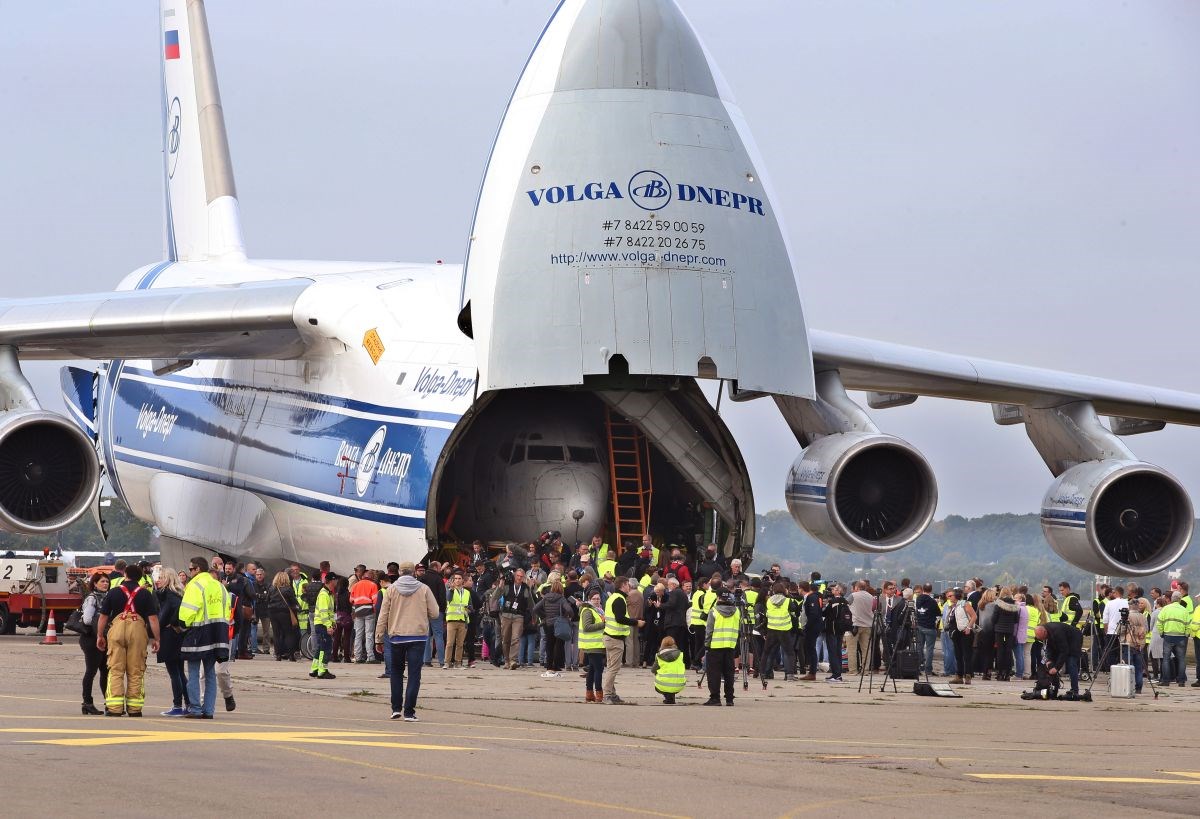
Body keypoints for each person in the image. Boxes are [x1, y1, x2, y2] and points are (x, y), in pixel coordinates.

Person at [375, 561, 439, 721]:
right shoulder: (424, 589)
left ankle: (396, 709)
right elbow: (435, 613)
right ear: (414, 572)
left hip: (396, 637)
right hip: (418, 636)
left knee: (396, 672)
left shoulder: (390, 590)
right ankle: (409, 712)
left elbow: (383, 615)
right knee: (414, 674)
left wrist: (378, 638)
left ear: (400, 573)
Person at [95, 564, 161, 717]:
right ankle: (134, 708)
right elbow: (152, 618)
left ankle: (114, 708)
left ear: (125, 574)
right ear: (140, 577)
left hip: (116, 630)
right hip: (138, 631)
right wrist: (156, 638)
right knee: (135, 671)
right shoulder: (145, 594)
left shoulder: (113, 592)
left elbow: (103, 616)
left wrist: (99, 635)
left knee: (116, 669)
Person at [179, 556, 231, 719]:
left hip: (198, 632)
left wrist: (182, 625)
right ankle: (208, 710)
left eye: (191, 569)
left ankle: (195, 708)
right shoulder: (219, 586)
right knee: (209, 672)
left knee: (194, 671)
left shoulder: (195, 585)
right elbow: (227, 609)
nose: (189, 572)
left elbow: (188, 610)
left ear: (198, 569)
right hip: (218, 633)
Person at [602, 576, 644, 704]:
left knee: (611, 667)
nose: (629, 587)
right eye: (627, 585)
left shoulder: (613, 598)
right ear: (623, 586)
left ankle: (612, 694)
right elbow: (620, 618)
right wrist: (636, 622)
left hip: (610, 636)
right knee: (613, 669)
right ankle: (608, 695)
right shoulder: (619, 599)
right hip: (615, 638)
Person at [155, 567, 189, 716]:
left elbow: (162, 618)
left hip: (170, 637)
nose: (158, 580)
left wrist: (157, 627)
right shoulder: (178, 594)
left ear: (168, 579)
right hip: (177, 636)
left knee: (174, 673)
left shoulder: (169, 596)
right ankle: (188, 703)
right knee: (180, 672)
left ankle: (177, 705)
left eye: (161, 578)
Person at [78, 572, 110, 715]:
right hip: (91, 638)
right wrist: (103, 623)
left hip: (103, 637)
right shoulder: (92, 598)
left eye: (107, 582)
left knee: (106, 671)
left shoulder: (107, 597)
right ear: (95, 584)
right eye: (102, 581)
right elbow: (87, 619)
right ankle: (87, 702)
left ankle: (109, 703)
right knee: (91, 671)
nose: (105, 584)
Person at [704, 590, 740, 705]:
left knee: (714, 673)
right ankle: (729, 699)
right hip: (730, 646)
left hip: (715, 646)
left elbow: (709, 630)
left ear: (718, 598)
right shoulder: (737, 611)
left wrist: (706, 644)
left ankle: (715, 698)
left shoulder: (714, 611)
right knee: (729, 673)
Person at [532, 578, 573, 677]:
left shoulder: (545, 598)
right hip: (559, 624)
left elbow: (535, 608)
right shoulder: (561, 598)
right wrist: (566, 616)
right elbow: (569, 609)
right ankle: (556, 665)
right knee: (558, 645)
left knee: (549, 645)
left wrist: (544, 616)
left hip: (548, 624)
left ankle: (549, 665)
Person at [760, 581, 797, 682]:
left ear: (773, 590)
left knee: (766, 652)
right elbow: (795, 610)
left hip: (771, 629)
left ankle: (762, 673)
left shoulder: (769, 601)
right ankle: (789, 674)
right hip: (784, 630)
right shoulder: (788, 601)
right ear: (784, 590)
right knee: (789, 652)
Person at [1037, 621, 1084, 699]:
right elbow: (1049, 647)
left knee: (1071, 662)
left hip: (1074, 639)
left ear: (1045, 632)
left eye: (1043, 638)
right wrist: (1049, 659)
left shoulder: (1057, 632)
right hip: (1063, 641)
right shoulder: (1045, 631)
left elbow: (1064, 651)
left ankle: (1075, 690)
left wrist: (1056, 668)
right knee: (1050, 663)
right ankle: (1054, 687)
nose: (1043, 640)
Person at [578, 587, 607, 702]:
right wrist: (604, 624)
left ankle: (589, 693)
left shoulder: (598, 610)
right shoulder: (588, 611)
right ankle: (598, 692)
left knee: (593, 670)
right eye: (594, 599)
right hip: (592, 644)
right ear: (589, 599)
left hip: (597, 644)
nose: (597, 601)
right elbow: (587, 627)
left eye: (598, 599)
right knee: (598, 669)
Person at [416, 563, 447, 668]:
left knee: (426, 636)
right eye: (439, 567)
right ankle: (442, 660)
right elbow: (442, 597)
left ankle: (426, 660)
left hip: (423, 611)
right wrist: (443, 611)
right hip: (437, 611)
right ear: (436, 567)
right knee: (438, 635)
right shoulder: (438, 579)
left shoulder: (421, 579)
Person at [499, 567, 531, 670]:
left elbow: (530, 602)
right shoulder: (508, 586)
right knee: (505, 639)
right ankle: (507, 660)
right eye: (517, 576)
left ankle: (513, 660)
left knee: (515, 638)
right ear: (514, 576)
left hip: (518, 616)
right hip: (506, 615)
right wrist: (500, 586)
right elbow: (496, 596)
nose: (519, 578)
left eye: (521, 576)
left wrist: (534, 615)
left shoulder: (525, 587)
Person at [1156, 593, 1190, 686]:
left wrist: (1162, 632)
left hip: (1168, 636)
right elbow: (1188, 624)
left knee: (1166, 659)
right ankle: (1181, 681)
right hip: (1181, 637)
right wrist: (1186, 634)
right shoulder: (1184, 610)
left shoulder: (1166, 609)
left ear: (1171, 599)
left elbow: (1159, 622)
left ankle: (1166, 681)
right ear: (1180, 599)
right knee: (1181, 659)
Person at [309, 574, 338, 680]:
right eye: (335, 580)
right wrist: (329, 626)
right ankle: (323, 670)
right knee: (326, 648)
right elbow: (323, 612)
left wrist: (333, 622)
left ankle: (315, 669)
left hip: (322, 624)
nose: (337, 583)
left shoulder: (328, 593)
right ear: (332, 581)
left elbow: (330, 612)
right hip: (322, 624)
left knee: (321, 647)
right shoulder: (324, 594)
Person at [946, 588, 976, 685]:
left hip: (965, 632)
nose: (949, 597)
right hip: (956, 633)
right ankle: (959, 675)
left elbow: (974, 616)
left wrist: (968, 628)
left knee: (967, 655)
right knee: (958, 655)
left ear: (957, 596)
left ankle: (968, 675)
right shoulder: (953, 606)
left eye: (951, 596)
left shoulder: (964, 604)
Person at [267, 571, 299, 661]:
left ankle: (278, 655)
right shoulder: (288, 589)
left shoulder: (271, 588)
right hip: (284, 612)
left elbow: (267, 599)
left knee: (276, 634)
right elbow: (294, 601)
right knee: (289, 633)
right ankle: (291, 655)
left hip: (273, 612)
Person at [349, 569, 379, 664]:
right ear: (371, 577)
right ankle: (370, 657)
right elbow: (375, 600)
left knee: (358, 634)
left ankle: (358, 657)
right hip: (369, 611)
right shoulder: (373, 585)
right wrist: (375, 612)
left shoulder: (356, 585)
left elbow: (351, 600)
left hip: (358, 611)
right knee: (369, 634)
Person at [444, 572, 472, 669]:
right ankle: (447, 662)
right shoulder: (450, 590)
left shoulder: (467, 592)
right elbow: (448, 599)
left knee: (460, 644)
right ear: (453, 580)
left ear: (462, 580)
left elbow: (471, 605)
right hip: (452, 620)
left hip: (462, 620)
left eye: (459, 578)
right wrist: (451, 590)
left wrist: (468, 609)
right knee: (450, 643)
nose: (457, 580)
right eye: (456, 578)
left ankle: (458, 663)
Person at [651, 635, 686, 704]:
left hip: (663, 683)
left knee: (659, 681)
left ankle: (668, 697)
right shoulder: (680, 654)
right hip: (680, 684)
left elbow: (653, 670)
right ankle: (671, 697)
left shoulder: (659, 655)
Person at [913, 583, 938, 677]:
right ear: (931, 590)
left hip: (920, 626)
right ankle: (928, 670)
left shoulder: (918, 599)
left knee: (919, 647)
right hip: (930, 627)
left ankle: (917, 667)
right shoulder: (932, 601)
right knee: (929, 649)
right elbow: (938, 613)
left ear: (923, 589)